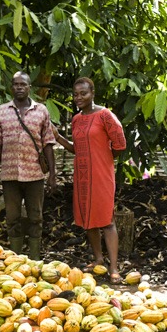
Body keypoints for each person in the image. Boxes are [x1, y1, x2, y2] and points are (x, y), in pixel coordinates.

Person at [56, 76, 126, 283]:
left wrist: (103, 160)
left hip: (102, 174)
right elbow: (76, 149)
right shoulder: (76, 119)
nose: (79, 97)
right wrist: (58, 136)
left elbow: (120, 144)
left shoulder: (105, 115)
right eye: (76, 94)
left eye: (83, 93)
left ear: (93, 93)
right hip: (82, 175)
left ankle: (114, 268)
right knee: (88, 220)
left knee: (107, 219)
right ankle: (98, 260)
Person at [0, 71, 58, 258]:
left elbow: (48, 143)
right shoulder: (1, 111)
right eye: (16, 84)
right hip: (10, 175)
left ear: (29, 88)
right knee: (12, 218)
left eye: (23, 84)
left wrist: (52, 174)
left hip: (34, 174)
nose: (19, 87)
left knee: (36, 217)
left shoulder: (41, 111)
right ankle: (15, 259)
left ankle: (34, 259)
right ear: (11, 88)